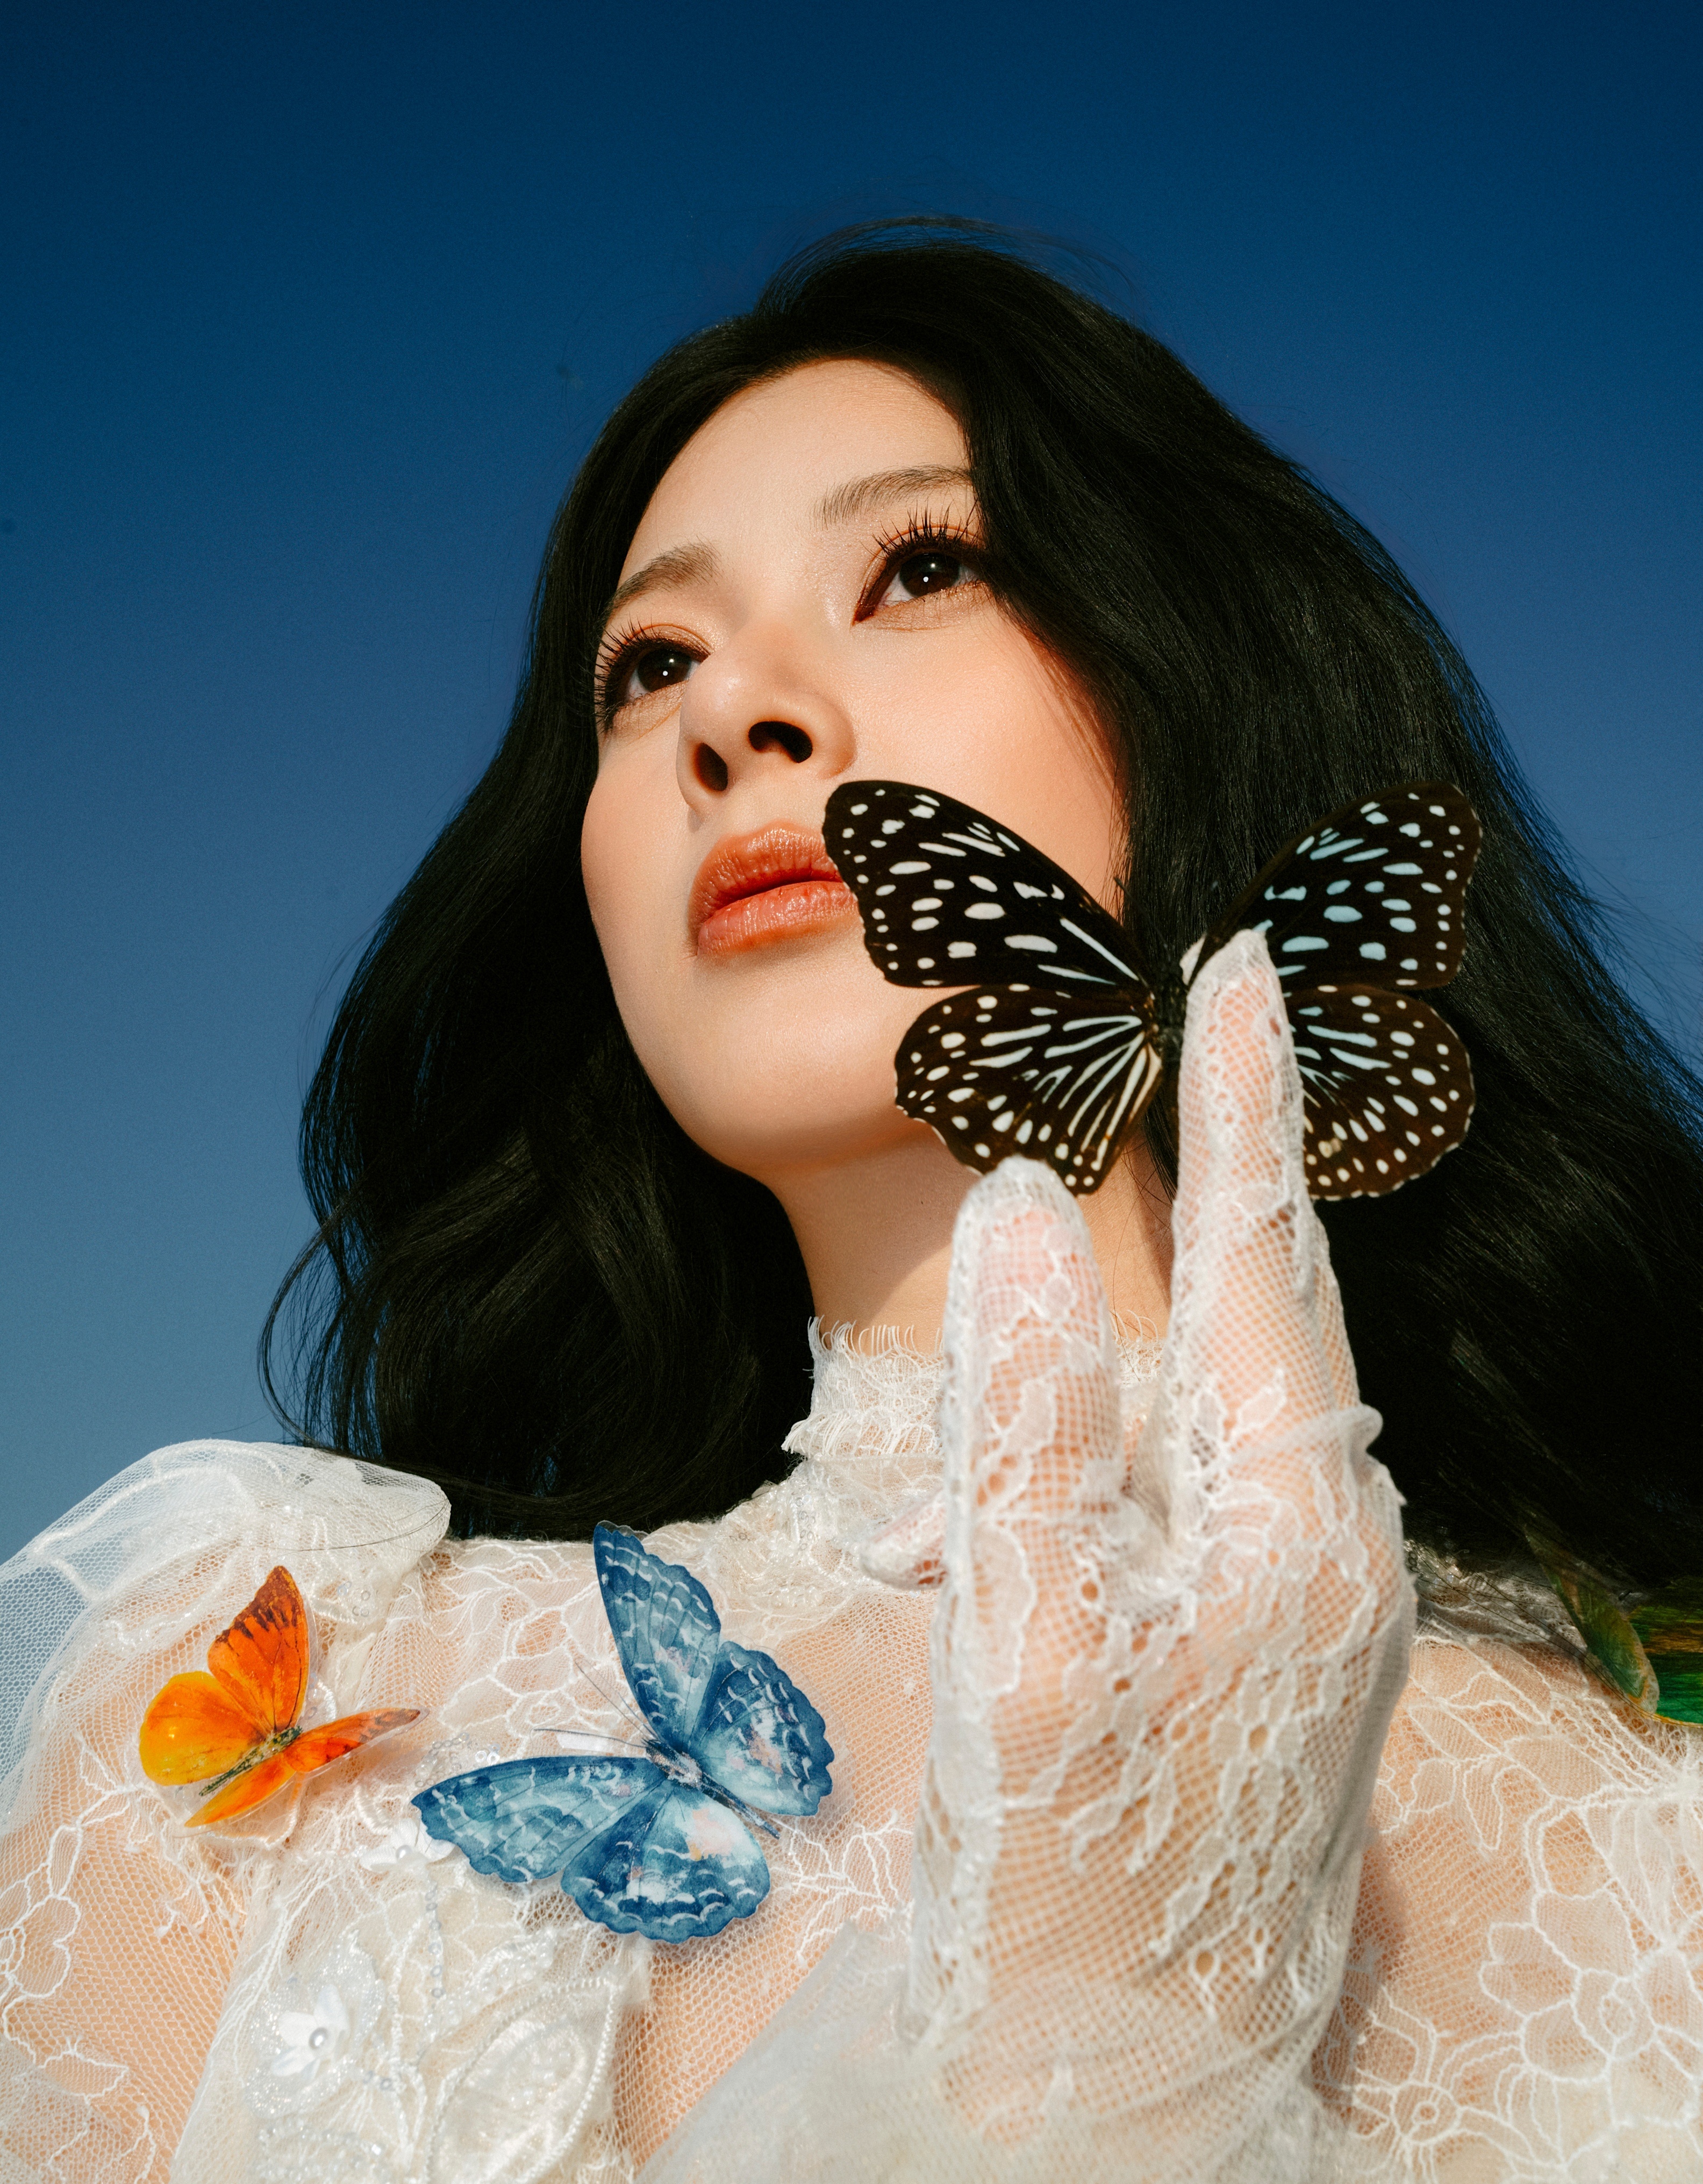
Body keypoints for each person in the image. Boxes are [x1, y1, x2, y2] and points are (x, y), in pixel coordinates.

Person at [2, 221, 1699, 2183]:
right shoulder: (301, 1711)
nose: (734, 716)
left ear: (1209, 686)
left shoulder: (1641, 1803)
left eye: (921, 569)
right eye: (651, 667)